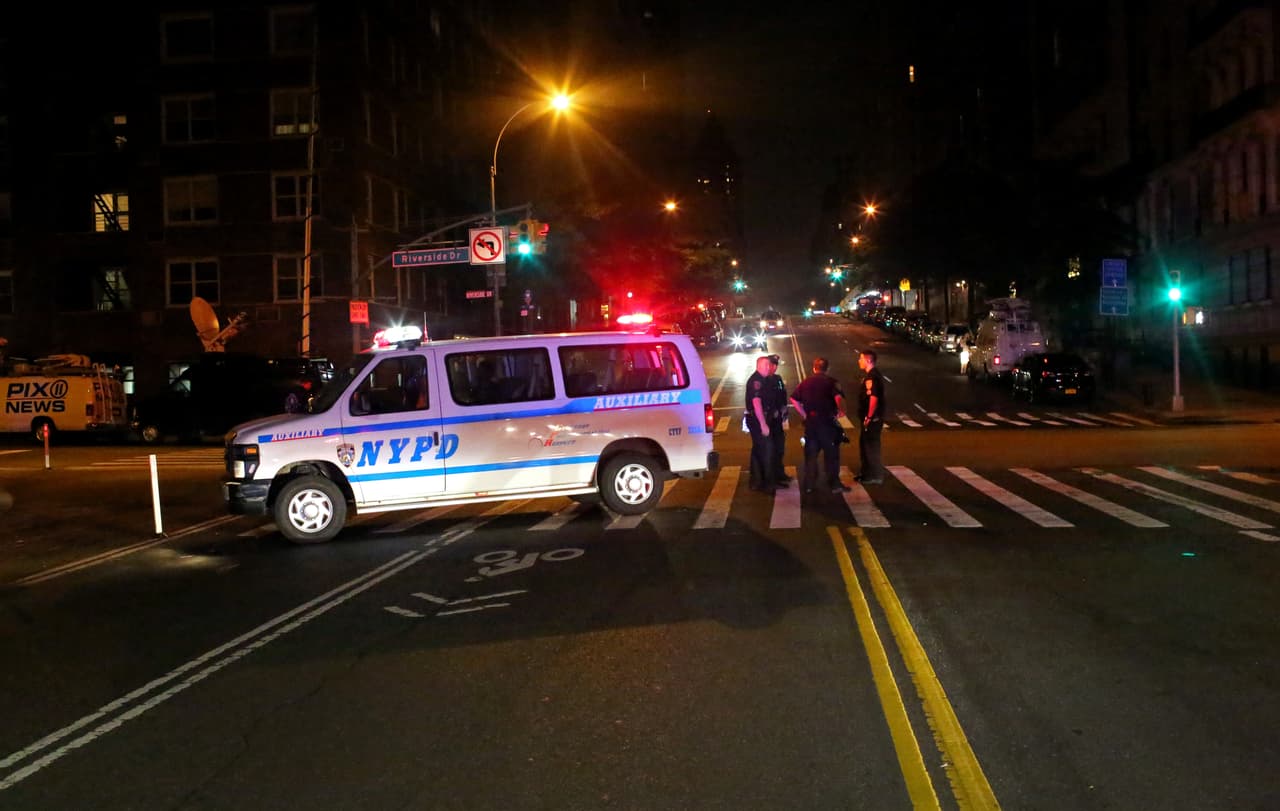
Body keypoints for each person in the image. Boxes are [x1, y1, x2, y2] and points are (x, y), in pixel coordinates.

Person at [789, 356, 851, 494]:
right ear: (827, 369)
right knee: (832, 456)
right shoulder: (832, 382)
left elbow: (793, 398)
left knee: (811, 456)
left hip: (811, 424)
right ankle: (834, 484)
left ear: (814, 368)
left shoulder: (805, 383)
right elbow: (838, 398)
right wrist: (841, 411)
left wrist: (804, 413)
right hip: (827, 424)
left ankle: (809, 485)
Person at [745, 354, 780, 493]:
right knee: (767, 450)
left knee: (759, 450)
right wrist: (763, 424)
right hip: (758, 420)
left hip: (764, 418)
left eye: (769, 365)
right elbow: (756, 402)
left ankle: (757, 481)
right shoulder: (756, 381)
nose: (769, 368)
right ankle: (767, 483)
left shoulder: (764, 379)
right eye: (766, 365)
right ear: (759, 366)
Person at [856, 349, 886, 484]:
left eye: (861, 359)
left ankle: (874, 475)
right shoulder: (871, 375)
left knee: (870, 447)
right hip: (869, 418)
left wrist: (869, 417)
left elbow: (873, 398)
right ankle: (866, 473)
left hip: (872, 419)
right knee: (864, 445)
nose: (859, 361)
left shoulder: (872, 377)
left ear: (868, 360)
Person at [762, 354, 792, 487]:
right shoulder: (762, 381)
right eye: (772, 365)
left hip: (778, 419)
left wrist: (784, 410)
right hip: (769, 420)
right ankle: (772, 478)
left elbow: (782, 395)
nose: (774, 367)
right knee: (771, 450)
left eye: (775, 365)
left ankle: (780, 473)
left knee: (779, 448)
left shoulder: (777, 379)